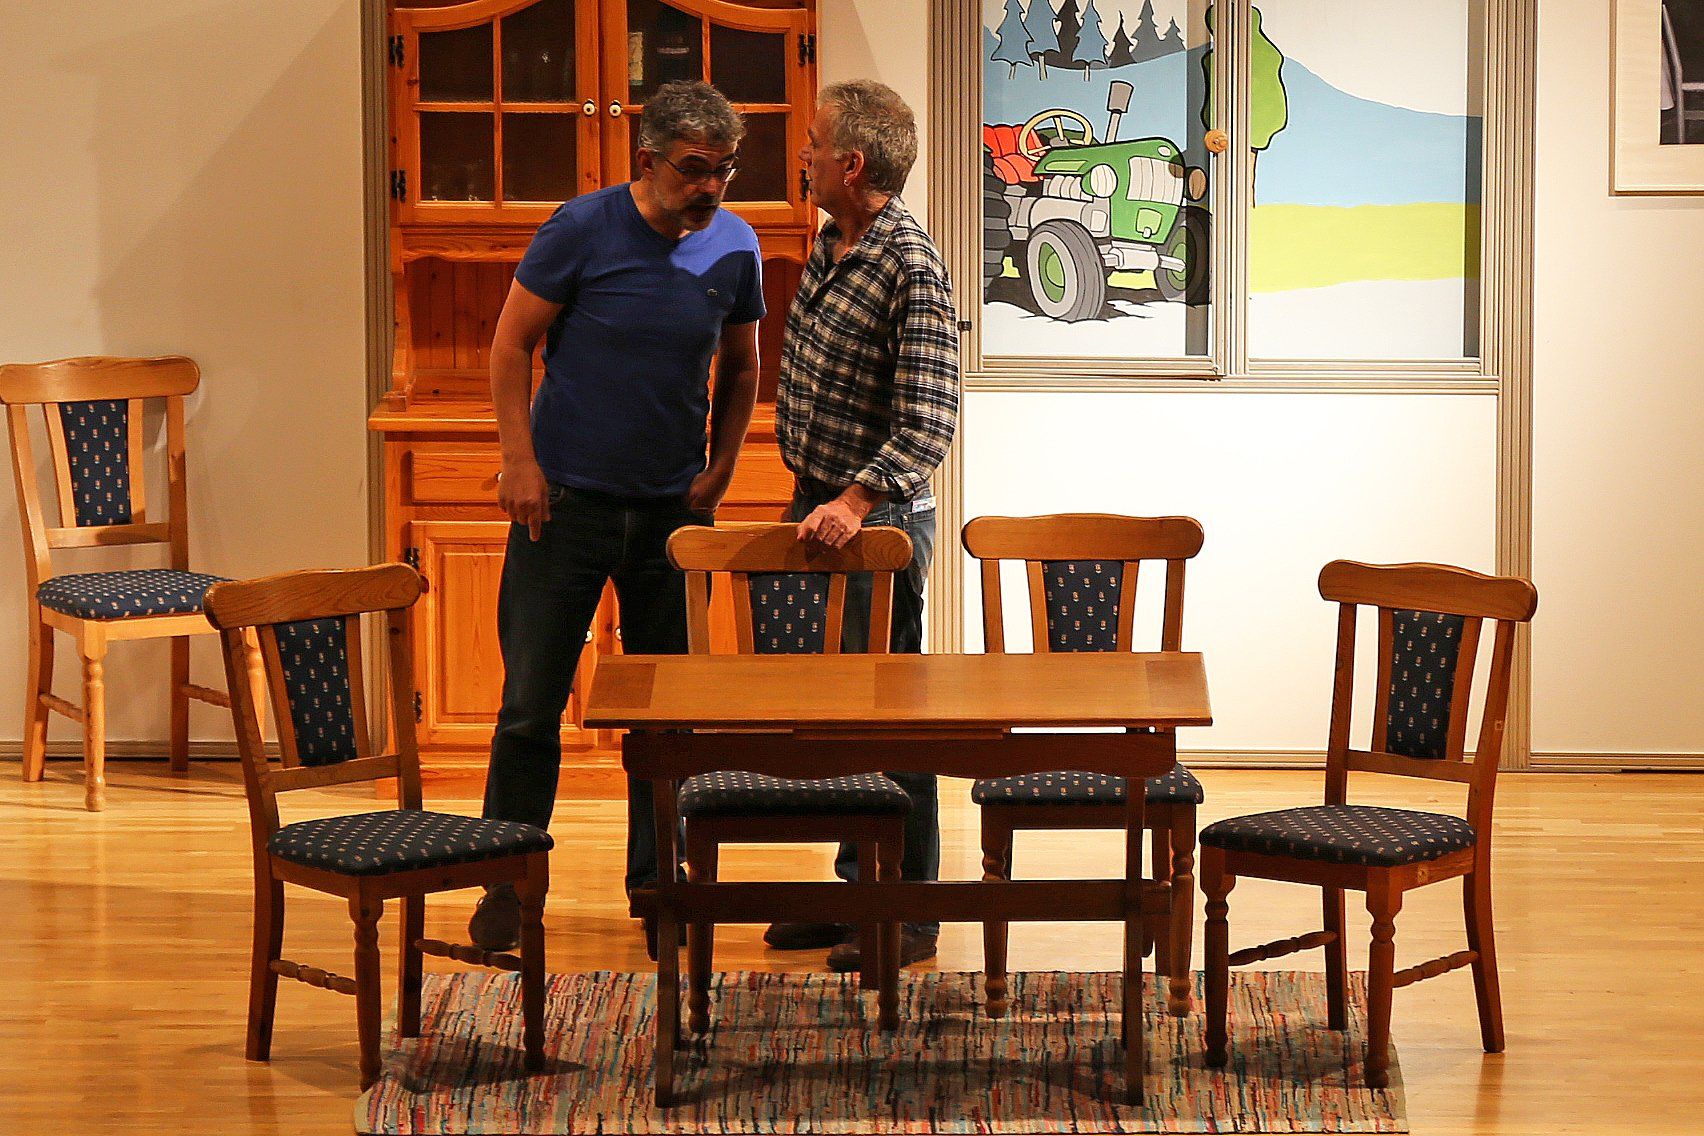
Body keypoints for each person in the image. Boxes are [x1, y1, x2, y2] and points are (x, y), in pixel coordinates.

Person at [467, 81, 764, 959]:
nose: (709, 187)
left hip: (671, 512)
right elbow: (510, 343)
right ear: (649, 161)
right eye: (694, 168)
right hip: (563, 507)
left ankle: (658, 884)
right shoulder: (581, 228)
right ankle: (507, 887)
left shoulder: (737, 244)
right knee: (531, 707)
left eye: (724, 170)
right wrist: (520, 462)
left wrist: (722, 466)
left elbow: (744, 364)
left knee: (666, 719)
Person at [763, 80, 961, 972]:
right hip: (822, 511)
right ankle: (855, 891)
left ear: (850, 164)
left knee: (895, 719)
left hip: (876, 530)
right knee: (840, 716)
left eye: (812, 143)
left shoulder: (909, 262)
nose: (801, 154)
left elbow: (928, 421)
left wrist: (852, 501)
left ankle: (906, 909)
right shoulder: (832, 243)